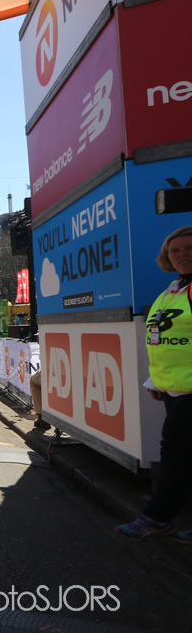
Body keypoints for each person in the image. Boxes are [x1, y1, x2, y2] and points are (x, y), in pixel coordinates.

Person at [116, 225, 192, 543]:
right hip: (176, 388)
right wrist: (157, 381)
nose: (181, 255)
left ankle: (157, 518)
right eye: (174, 250)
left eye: (189, 248)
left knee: (174, 451)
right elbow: (162, 340)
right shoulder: (173, 290)